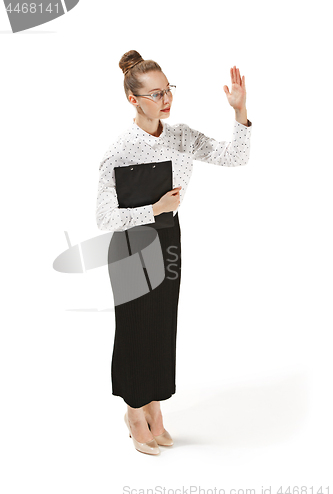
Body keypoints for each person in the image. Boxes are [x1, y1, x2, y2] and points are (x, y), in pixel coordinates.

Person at [96, 50, 252, 455]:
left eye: (168, 90)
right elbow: (103, 217)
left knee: (162, 325)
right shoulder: (120, 150)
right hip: (130, 246)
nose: (165, 99)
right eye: (155, 93)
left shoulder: (181, 136)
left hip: (167, 239)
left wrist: (240, 113)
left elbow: (235, 156)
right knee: (134, 329)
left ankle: (155, 407)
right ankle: (133, 412)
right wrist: (153, 209)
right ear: (133, 99)